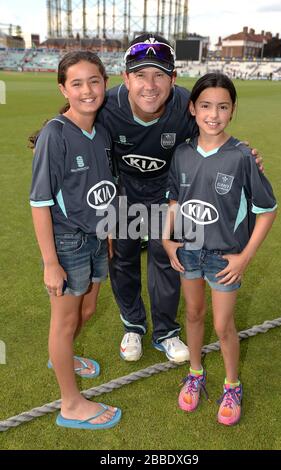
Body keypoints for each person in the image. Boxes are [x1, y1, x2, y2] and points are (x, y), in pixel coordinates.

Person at [97, 33, 263, 364]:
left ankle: (165, 332)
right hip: (124, 191)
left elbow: (212, 128)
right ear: (126, 78)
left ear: (173, 78)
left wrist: (244, 153)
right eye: (141, 75)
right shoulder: (107, 107)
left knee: (168, 259)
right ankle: (133, 325)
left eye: (160, 74)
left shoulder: (185, 106)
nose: (150, 85)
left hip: (167, 192)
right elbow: (76, 126)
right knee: (123, 257)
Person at [162, 72, 277, 426]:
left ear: (233, 110)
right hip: (189, 252)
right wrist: (168, 240)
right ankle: (195, 373)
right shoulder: (181, 153)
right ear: (193, 109)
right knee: (193, 315)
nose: (214, 114)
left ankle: (232, 385)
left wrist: (245, 256)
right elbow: (174, 201)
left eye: (223, 107)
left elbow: (267, 210)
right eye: (206, 106)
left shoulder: (242, 156)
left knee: (223, 324)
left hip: (225, 256)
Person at [30, 51, 121, 430]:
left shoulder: (100, 130)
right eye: (77, 83)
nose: (88, 90)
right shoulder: (55, 133)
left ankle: (62, 357)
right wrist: (51, 262)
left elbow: (103, 187)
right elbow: (40, 202)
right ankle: (70, 404)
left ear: (104, 82)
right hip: (68, 245)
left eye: (94, 81)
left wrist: (111, 230)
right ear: (63, 88)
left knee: (85, 312)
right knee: (64, 324)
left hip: (98, 239)